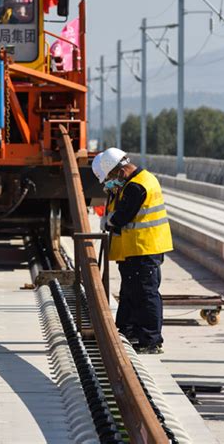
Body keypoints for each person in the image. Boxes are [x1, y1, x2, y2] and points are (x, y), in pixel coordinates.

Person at [92, 148, 173, 354]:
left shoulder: (137, 186)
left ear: (120, 171)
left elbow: (122, 217)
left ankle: (150, 340)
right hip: (135, 248)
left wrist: (108, 220)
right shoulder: (132, 182)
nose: (109, 183)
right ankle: (128, 332)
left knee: (145, 294)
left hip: (143, 248)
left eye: (109, 178)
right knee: (130, 292)